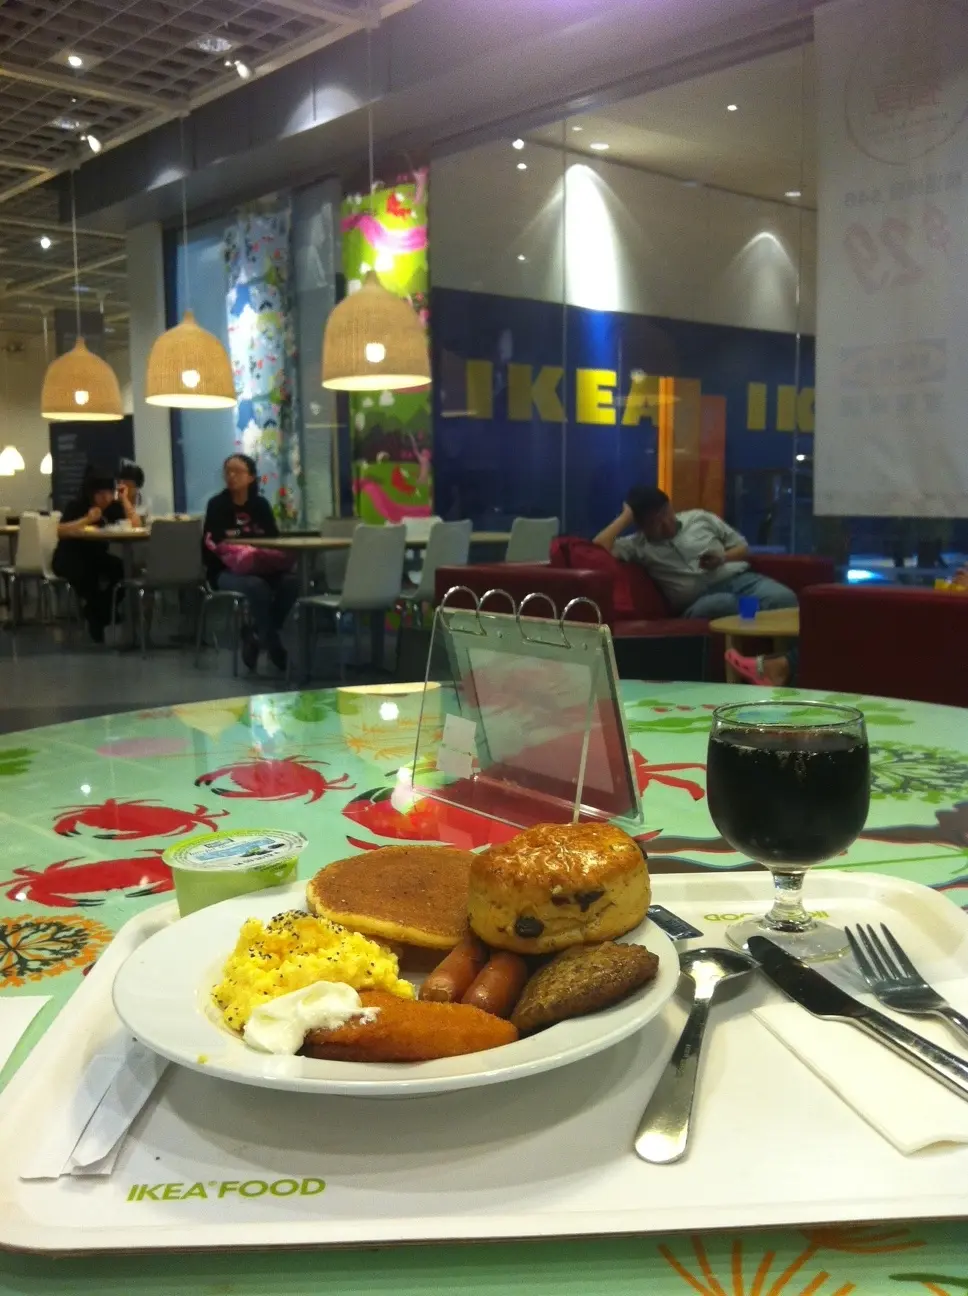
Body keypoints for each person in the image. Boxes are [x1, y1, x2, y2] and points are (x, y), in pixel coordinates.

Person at [593, 486, 798, 619]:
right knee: (722, 604)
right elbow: (596, 549)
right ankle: (756, 616)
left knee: (785, 599)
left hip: (740, 581)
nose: (665, 524)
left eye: (665, 514)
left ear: (670, 506)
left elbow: (743, 549)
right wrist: (626, 517)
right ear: (641, 526)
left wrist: (722, 558)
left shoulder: (699, 518)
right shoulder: (637, 545)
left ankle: (780, 660)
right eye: (655, 522)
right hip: (699, 601)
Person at [202, 453, 297, 672]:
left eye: (237, 471)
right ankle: (273, 644)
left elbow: (273, 540)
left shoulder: (260, 505)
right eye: (228, 471)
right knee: (256, 587)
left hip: (262, 567)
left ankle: (255, 634)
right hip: (225, 571)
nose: (231, 476)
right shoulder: (217, 505)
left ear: (251, 477)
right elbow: (213, 542)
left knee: (293, 582)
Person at [52, 467, 124, 643]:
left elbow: (133, 523)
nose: (106, 498)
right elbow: (60, 531)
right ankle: (100, 614)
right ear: (91, 493)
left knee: (121, 570)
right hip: (70, 555)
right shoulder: (77, 506)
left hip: (96, 554)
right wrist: (87, 519)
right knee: (86, 574)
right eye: (101, 494)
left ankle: (96, 611)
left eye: (109, 493)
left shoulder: (113, 508)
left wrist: (125, 500)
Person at [103, 461, 145, 528]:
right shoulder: (112, 506)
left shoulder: (142, 504)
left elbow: (139, 525)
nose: (125, 490)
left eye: (129, 486)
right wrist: (124, 499)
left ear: (137, 488)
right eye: (121, 485)